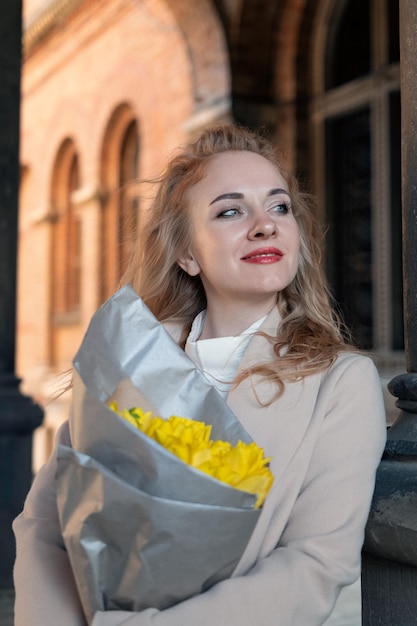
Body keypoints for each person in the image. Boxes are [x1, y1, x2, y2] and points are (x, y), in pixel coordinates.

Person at [13, 124, 386, 625]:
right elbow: (46, 527)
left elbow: (316, 563)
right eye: (231, 211)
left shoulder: (341, 381)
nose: (264, 225)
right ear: (187, 254)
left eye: (280, 207)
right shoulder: (124, 362)